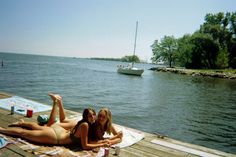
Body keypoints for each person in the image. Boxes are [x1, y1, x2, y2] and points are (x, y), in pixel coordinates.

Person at [0, 93, 110, 150]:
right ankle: (2, 130)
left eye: (93, 115)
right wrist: (101, 144)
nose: (92, 117)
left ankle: (21, 123)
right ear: (85, 117)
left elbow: (92, 139)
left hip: (59, 131)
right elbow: (85, 146)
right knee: (23, 133)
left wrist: (103, 141)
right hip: (55, 137)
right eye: (89, 115)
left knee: (34, 126)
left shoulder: (86, 124)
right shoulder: (85, 125)